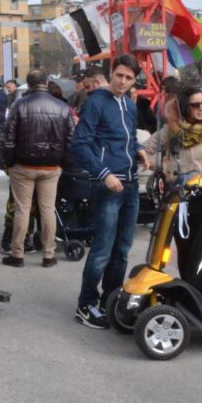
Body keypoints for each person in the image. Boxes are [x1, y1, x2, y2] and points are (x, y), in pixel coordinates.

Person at [70, 53, 145, 329]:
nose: (123, 82)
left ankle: (110, 300)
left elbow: (129, 137)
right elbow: (80, 144)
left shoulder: (129, 104)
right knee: (102, 248)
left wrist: (138, 150)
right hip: (107, 186)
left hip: (131, 183)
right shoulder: (96, 103)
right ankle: (86, 304)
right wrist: (103, 174)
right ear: (111, 74)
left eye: (129, 78)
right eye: (119, 75)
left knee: (122, 249)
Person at [142, 86, 202, 257]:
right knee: (184, 251)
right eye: (195, 105)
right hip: (178, 199)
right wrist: (164, 167)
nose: (201, 108)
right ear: (184, 107)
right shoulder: (171, 131)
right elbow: (143, 151)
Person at [1, 70, 72, 268]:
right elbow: (70, 139)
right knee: (48, 209)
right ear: (46, 82)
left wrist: (9, 161)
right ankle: (48, 255)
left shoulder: (19, 105)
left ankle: (17, 254)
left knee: (22, 210)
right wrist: (63, 162)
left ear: (29, 84)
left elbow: (8, 137)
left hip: (23, 165)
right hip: (51, 166)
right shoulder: (62, 106)